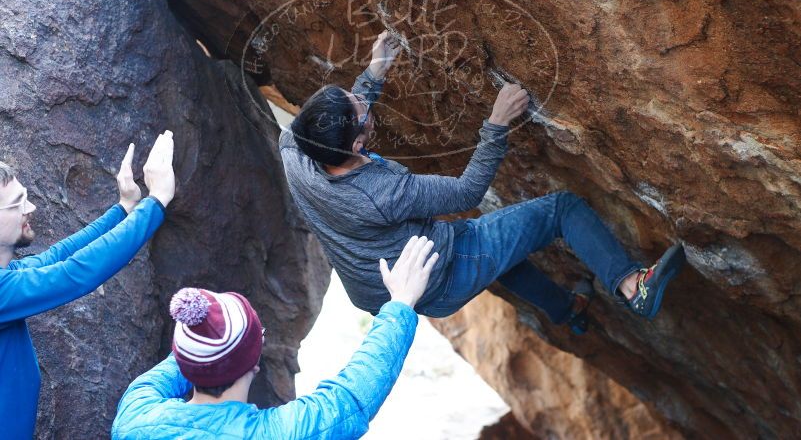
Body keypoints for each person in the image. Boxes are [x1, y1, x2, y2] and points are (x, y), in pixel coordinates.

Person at [279, 29, 686, 331]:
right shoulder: (380, 194)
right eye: (360, 110)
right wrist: (497, 121)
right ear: (358, 144)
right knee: (563, 208)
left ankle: (568, 311)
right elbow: (467, 192)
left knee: (501, 255)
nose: (362, 100)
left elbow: (338, 123)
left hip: (382, 289)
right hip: (439, 275)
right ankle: (633, 287)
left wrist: (374, 72)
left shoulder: (295, 146)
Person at [111, 235, 439, 439]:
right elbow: (351, 399)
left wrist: (226, 339)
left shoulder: (135, 418)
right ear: (254, 364)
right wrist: (400, 303)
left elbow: (194, 357)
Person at [0, 131, 176, 440]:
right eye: (18, 204)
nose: (31, 208)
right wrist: (156, 202)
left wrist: (123, 208)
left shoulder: (8, 278)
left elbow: (59, 257)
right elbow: (76, 273)